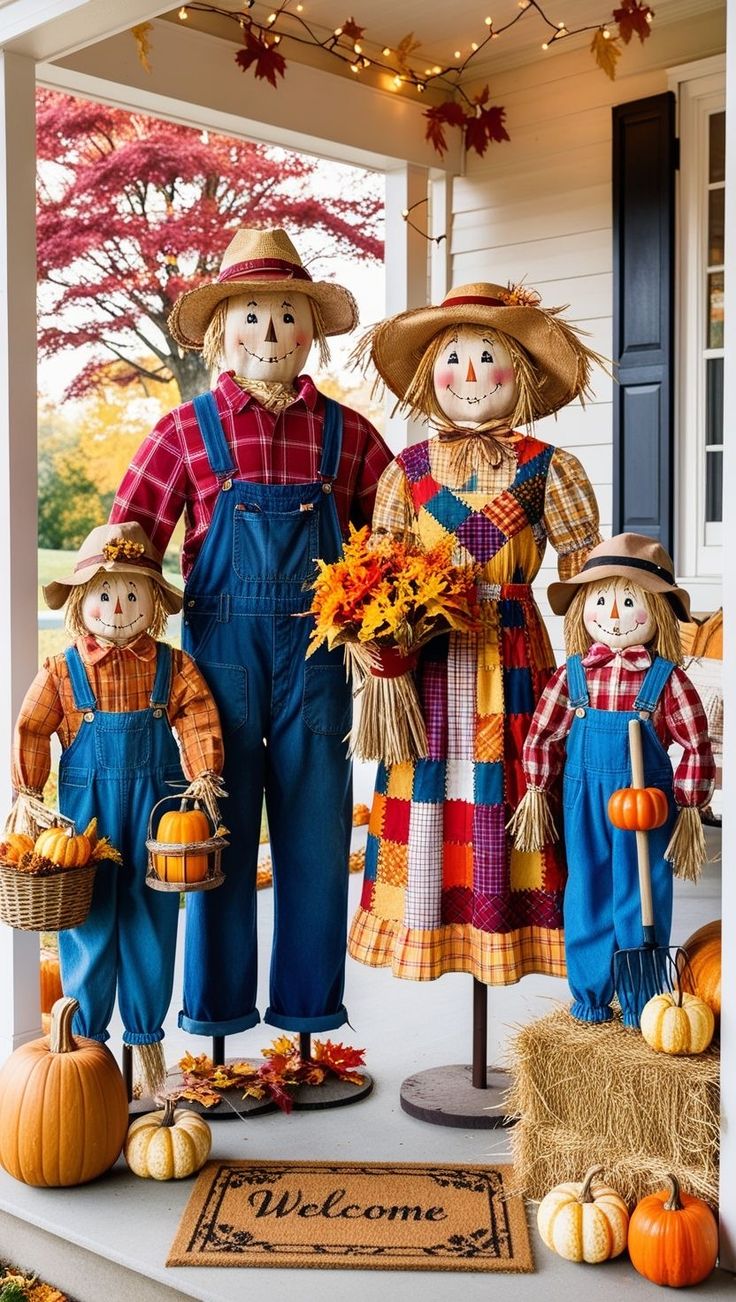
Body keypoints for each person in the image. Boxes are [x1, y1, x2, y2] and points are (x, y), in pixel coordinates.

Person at [111, 227, 393, 1040]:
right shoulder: (183, 433)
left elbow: (393, 544)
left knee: (314, 837)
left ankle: (309, 1020)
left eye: (287, 316)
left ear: (312, 331)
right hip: (218, 669)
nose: (269, 333)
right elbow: (129, 548)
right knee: (215, 835)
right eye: (251, 316)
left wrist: (389, 621)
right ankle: (220, 1023)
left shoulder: (350, 437)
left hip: (317, 665)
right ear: (220, 333)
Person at [348, 281, 602, 985]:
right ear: (430, 372)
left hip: (515, 654)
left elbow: (587, 586)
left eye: (484, 357)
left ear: (517, 373)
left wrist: (590, 676)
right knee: (429, 791)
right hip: (426, 663)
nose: (465, 375)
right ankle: (429, 926)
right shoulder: (408, 471)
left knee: (512, 787)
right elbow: (380, 576)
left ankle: (509, 936)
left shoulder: (552, 468)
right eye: (450, 358)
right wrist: (379, 643)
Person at [13, 522, 223, 1089]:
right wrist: (29, 791)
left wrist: (204, 776)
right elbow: (32, 728)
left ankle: (145, 1046)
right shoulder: (63, 671)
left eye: (133, 593)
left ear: (153, 602)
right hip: (87, 819)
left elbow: (198, 714)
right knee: (90, 919)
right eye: (105, 594)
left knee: (152, 919)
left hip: (158, 814)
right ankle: (88, 1056)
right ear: (83, 602)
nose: (118, 605)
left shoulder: (171, 667)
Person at [513, 533, 715, 1025]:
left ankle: (644, 999)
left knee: (642, 893)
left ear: (656, 612)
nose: (615, 613)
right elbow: (542, 735)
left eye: (630, 601)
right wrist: (539, 790)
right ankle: (590, 995)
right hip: (583, 800)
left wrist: (687, 801)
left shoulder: (666, 679)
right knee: (587, 890)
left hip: (647, 804)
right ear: (585, 606)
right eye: (602, 600)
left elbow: (695, 743)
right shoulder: (573, 676)